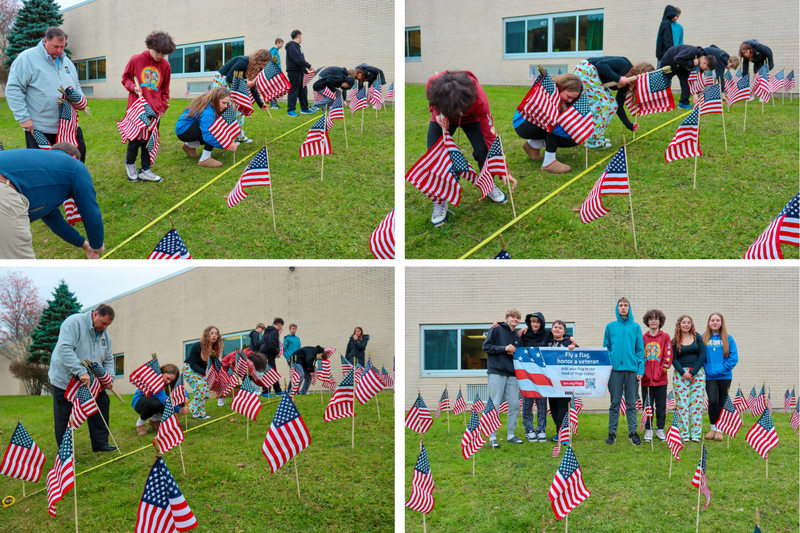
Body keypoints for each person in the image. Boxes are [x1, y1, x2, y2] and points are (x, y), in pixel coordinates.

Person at [425, 71, 516, 227]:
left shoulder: (479, 99)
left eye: (461, 110)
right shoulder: (433, 83)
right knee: (434, 154)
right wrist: (437, 112)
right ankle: (440, 199)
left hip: (471, 118)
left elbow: (490, 138)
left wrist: (503, 168)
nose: (458, 114)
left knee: (483, 150)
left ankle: (489, 185)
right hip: (442, 114)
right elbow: (432, 100)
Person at [0, 145, 104, 259]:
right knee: (21, 266)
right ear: (74, 157)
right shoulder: (75, 166)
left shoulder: (44, 170)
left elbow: (54, 220)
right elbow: (89, 210)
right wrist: (97, 245)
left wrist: (86, 246)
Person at [6, 28, 88, 162]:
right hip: (41, 129)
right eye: (55, 46)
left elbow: (76, 86)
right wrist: (23, 117)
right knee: (44, 167)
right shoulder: (27, 58)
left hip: (69, 127)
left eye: (62, 47)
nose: (59, 51)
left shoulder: (67, 62)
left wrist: (80, 99)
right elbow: (13, 88)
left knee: (76, 161)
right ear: (45, 41)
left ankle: (74, 183)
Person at [49, 305, 116, 451]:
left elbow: (109, 359)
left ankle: (101, 444)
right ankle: (65, 453)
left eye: (108, 325)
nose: (104, 327)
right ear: (95, 314)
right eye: (103, 323)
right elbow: (64, 349)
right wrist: (80, 371)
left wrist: (109, 377)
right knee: (64, 415)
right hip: (65, 380)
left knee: (102, 402)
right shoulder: (73, 322)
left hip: (91, 382)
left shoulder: (105, 335)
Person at [120, 31, 175, 183]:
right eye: (158, 52)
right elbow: (125, 78)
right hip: (137, 108)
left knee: (149, 140)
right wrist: (133, 87)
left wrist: (163, 107)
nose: (160, 56)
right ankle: (130, 164)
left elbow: (165, 89)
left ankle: (145, 169)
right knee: (135, 139)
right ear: (150, 46)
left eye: (164, 54)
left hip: (155, 111)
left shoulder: (165, 66)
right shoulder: (136, 60)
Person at [572, 58, 652, 149]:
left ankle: (598, 136)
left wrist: (629, 125)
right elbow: (601, 64)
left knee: (613, 105)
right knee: (603, 104)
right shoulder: (624, 63)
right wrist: (618, 79)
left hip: (596, 78)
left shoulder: (628, 83)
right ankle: (593, 141)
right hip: (586, 70)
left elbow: (619, 106)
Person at [514, 74, 583, 173]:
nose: (570, 100)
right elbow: (555, 123)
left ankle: (532, 145)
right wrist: (571, 131)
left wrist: (576, 133)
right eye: (569, 96)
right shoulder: (548, 93)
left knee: (574, 137)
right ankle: (549, 163)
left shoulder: (563, 98)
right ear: (562, 87)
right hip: (524, 123)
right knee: (559, 125)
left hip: (537, 123)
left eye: (573, 98)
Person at [603, 297, 645, 446]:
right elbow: (606, 347)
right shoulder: (610, 327)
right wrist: (609, 362)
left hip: (632, 370)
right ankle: (612, 433)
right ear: (617, 308)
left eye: (625, 305)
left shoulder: (636, 327)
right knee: (614, 403)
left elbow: (640, 350)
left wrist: (640, 368)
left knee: (631, 404)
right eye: (620, 305)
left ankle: (633, 432)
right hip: (614, 371)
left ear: (629, 308)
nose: (623, 308)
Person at [212, 48, 273, 143]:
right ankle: (224, 136)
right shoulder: (243, 62)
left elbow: (252, 86)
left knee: (240, 107)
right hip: (222, 80)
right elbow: (229, 78)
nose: (263, 68)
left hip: (236, 81)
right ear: (257, 60)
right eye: (262, 64)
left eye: (265, 66)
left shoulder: (255, 68)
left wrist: (260, 104)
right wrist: (244, 84)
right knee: (227, 109)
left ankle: (238, 135)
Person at [482, 309, 523, 448]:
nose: (515, 320)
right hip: (496, 372)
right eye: (513, 317)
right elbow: (486, 347)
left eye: (518, 318)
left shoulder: (518, 335)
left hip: (512, 374)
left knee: (515, 405)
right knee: (495, 404)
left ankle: (511, 434)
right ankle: (492, 438)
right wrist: (504, 348)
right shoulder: (496, 329)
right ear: (506, 318)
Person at [175, 87, 239, 168]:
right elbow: (209, 136)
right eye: (224, 103)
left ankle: (190, 147)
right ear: (215, 99)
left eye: (227, 103)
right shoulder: (208, 113)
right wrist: (226, 145)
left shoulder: (209, 101)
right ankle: (205, 159)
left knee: (213, 127)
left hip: (184, 128)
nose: (226, 106)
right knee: (213, 130)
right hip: (184, 130)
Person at [702, 313, 738, 442]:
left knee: (722, 401)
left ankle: (720, 429)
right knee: (713, 401)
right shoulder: (703, 338)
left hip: (724, 376)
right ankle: (713, 427)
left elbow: (733, 358)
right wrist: (708, 371)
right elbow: (700, 358)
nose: (715, 322)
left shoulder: (728, 339)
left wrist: (719, 370)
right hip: (709, 376)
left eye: (718, 320)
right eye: (712, 320)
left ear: (721, 323)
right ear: (709, 323)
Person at [671, 315, 706, 442]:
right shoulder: (675, 340)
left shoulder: (697, 338)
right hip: (681, 375)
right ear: (679, 324)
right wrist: (683, 373)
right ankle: (684, 433)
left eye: (688, 322)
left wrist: (694, 371)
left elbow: (702, 355)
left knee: (696, 404)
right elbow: (673, 359)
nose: (686, 325)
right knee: (682, 404)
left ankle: (696, 434)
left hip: (697, 374)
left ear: (691, 324)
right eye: (683, 322)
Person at [640, 309, 673, 443]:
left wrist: (660, 372)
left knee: (661, 406)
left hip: (660, 380)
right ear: (647, 322)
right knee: (647, 405)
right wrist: (644, 373)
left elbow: (668, 356)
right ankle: (648, 429)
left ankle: (660, 428)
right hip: (646, 380)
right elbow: (640, 357)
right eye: (651, 319)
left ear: (660, 322)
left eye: (656, 319)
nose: (653, 321)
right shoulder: (642, 338)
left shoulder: (665, 337)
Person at [132, 364, 189, 436]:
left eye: (171, 380)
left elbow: (182, 390)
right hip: (140, 403)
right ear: (162, 372)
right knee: (155, 403)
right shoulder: (154, 382)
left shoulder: (169, 383)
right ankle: (140, 423)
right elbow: (164, 400)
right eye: (167, 378)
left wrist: (185, 397)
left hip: (159, 401)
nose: (169, 382)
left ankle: (155, 420)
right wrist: (179, 410)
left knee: (178, 398)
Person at [182, 325, 224, 420]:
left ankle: (191, 408)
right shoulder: (197, 346)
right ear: (206, 335)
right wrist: (207, 374)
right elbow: (193, 364)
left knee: (206, 392)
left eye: (216, 334)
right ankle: (198, 414)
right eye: (211, 333)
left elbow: (212, 364)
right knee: (201, 388)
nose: (214, 336)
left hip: (202, 370)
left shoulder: (215, 349)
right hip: (189, 368)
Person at [545, 320, 578, 443]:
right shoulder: (547, 341)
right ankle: (559, 431)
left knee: (563, 408)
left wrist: (573, 348)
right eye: (555, 327)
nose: (557, 329)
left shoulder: (569, 342)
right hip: (550, 380)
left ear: (564, 332)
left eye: (560, 328)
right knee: (553, 408)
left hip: (565, 381)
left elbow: (581, 354)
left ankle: (564, 434)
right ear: (551, 329)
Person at [285, 30, 315, 117]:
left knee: (303, 91)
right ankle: (290, 110)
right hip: (294, 72)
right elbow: (297, 59)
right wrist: (308, 65)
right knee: (294, 90)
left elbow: (299, 60)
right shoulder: (292, 46)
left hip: (300, 71)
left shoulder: (297, 46)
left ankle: (304, 108)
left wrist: (305, 71)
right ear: (299, 36)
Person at [259, 318, 285, 396]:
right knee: (269, 372)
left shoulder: (267, 331)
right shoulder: (274, 331)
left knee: (273, 372)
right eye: (281, 326)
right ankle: (265, 392)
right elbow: (271, 343)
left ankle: (278, 391)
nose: (281, 328)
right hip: (268, 354)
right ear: (279, 324)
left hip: (264, 353)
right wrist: (277, 352)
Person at [268, 38, 285, 109]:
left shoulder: (276, 51)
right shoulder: (273, 50)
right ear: (277, 42)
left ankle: (274, 104)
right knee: (274, 88)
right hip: (274, 72)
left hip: (277, 72)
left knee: (275, 88)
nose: (282, 46)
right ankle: (273, 105)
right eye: (281, 44)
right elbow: (271, 61)